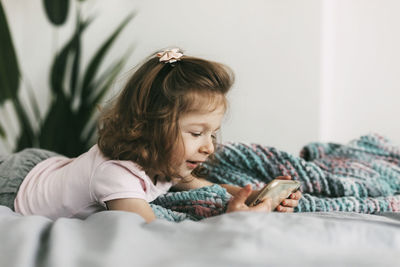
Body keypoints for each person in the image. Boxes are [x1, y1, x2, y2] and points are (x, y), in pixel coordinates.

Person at [8, 48, 301, 223]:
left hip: (50, 167)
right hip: (16, 188)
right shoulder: (116, 176)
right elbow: (150, 231)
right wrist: (235, 223)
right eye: (197, 133)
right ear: (150, 127)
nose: (209, 147)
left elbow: (195, 184)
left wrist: (239, 196)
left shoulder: (162, 158)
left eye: (213, 133)